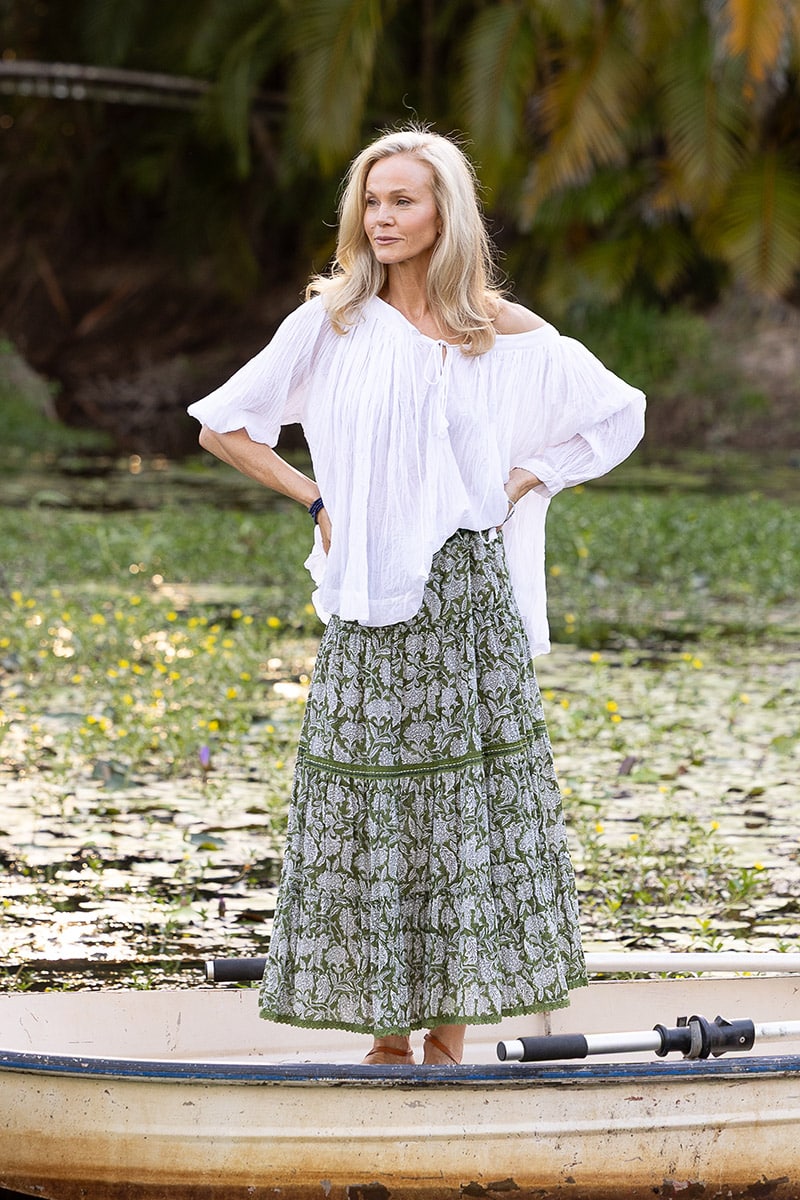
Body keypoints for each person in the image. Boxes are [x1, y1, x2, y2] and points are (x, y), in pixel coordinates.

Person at [188, 127, 645, 1066]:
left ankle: (446, 1043)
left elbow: (617, 413)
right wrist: (316, 499)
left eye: (403, 201)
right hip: (368, 600)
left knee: (459, 813)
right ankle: (385, 1040)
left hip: (468, 600)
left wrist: (529, 477)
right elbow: (223, 425)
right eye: (372, 200)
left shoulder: (503, 334)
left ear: (446, 215)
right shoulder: (331, 324)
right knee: (366, 812)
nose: (382, 217)